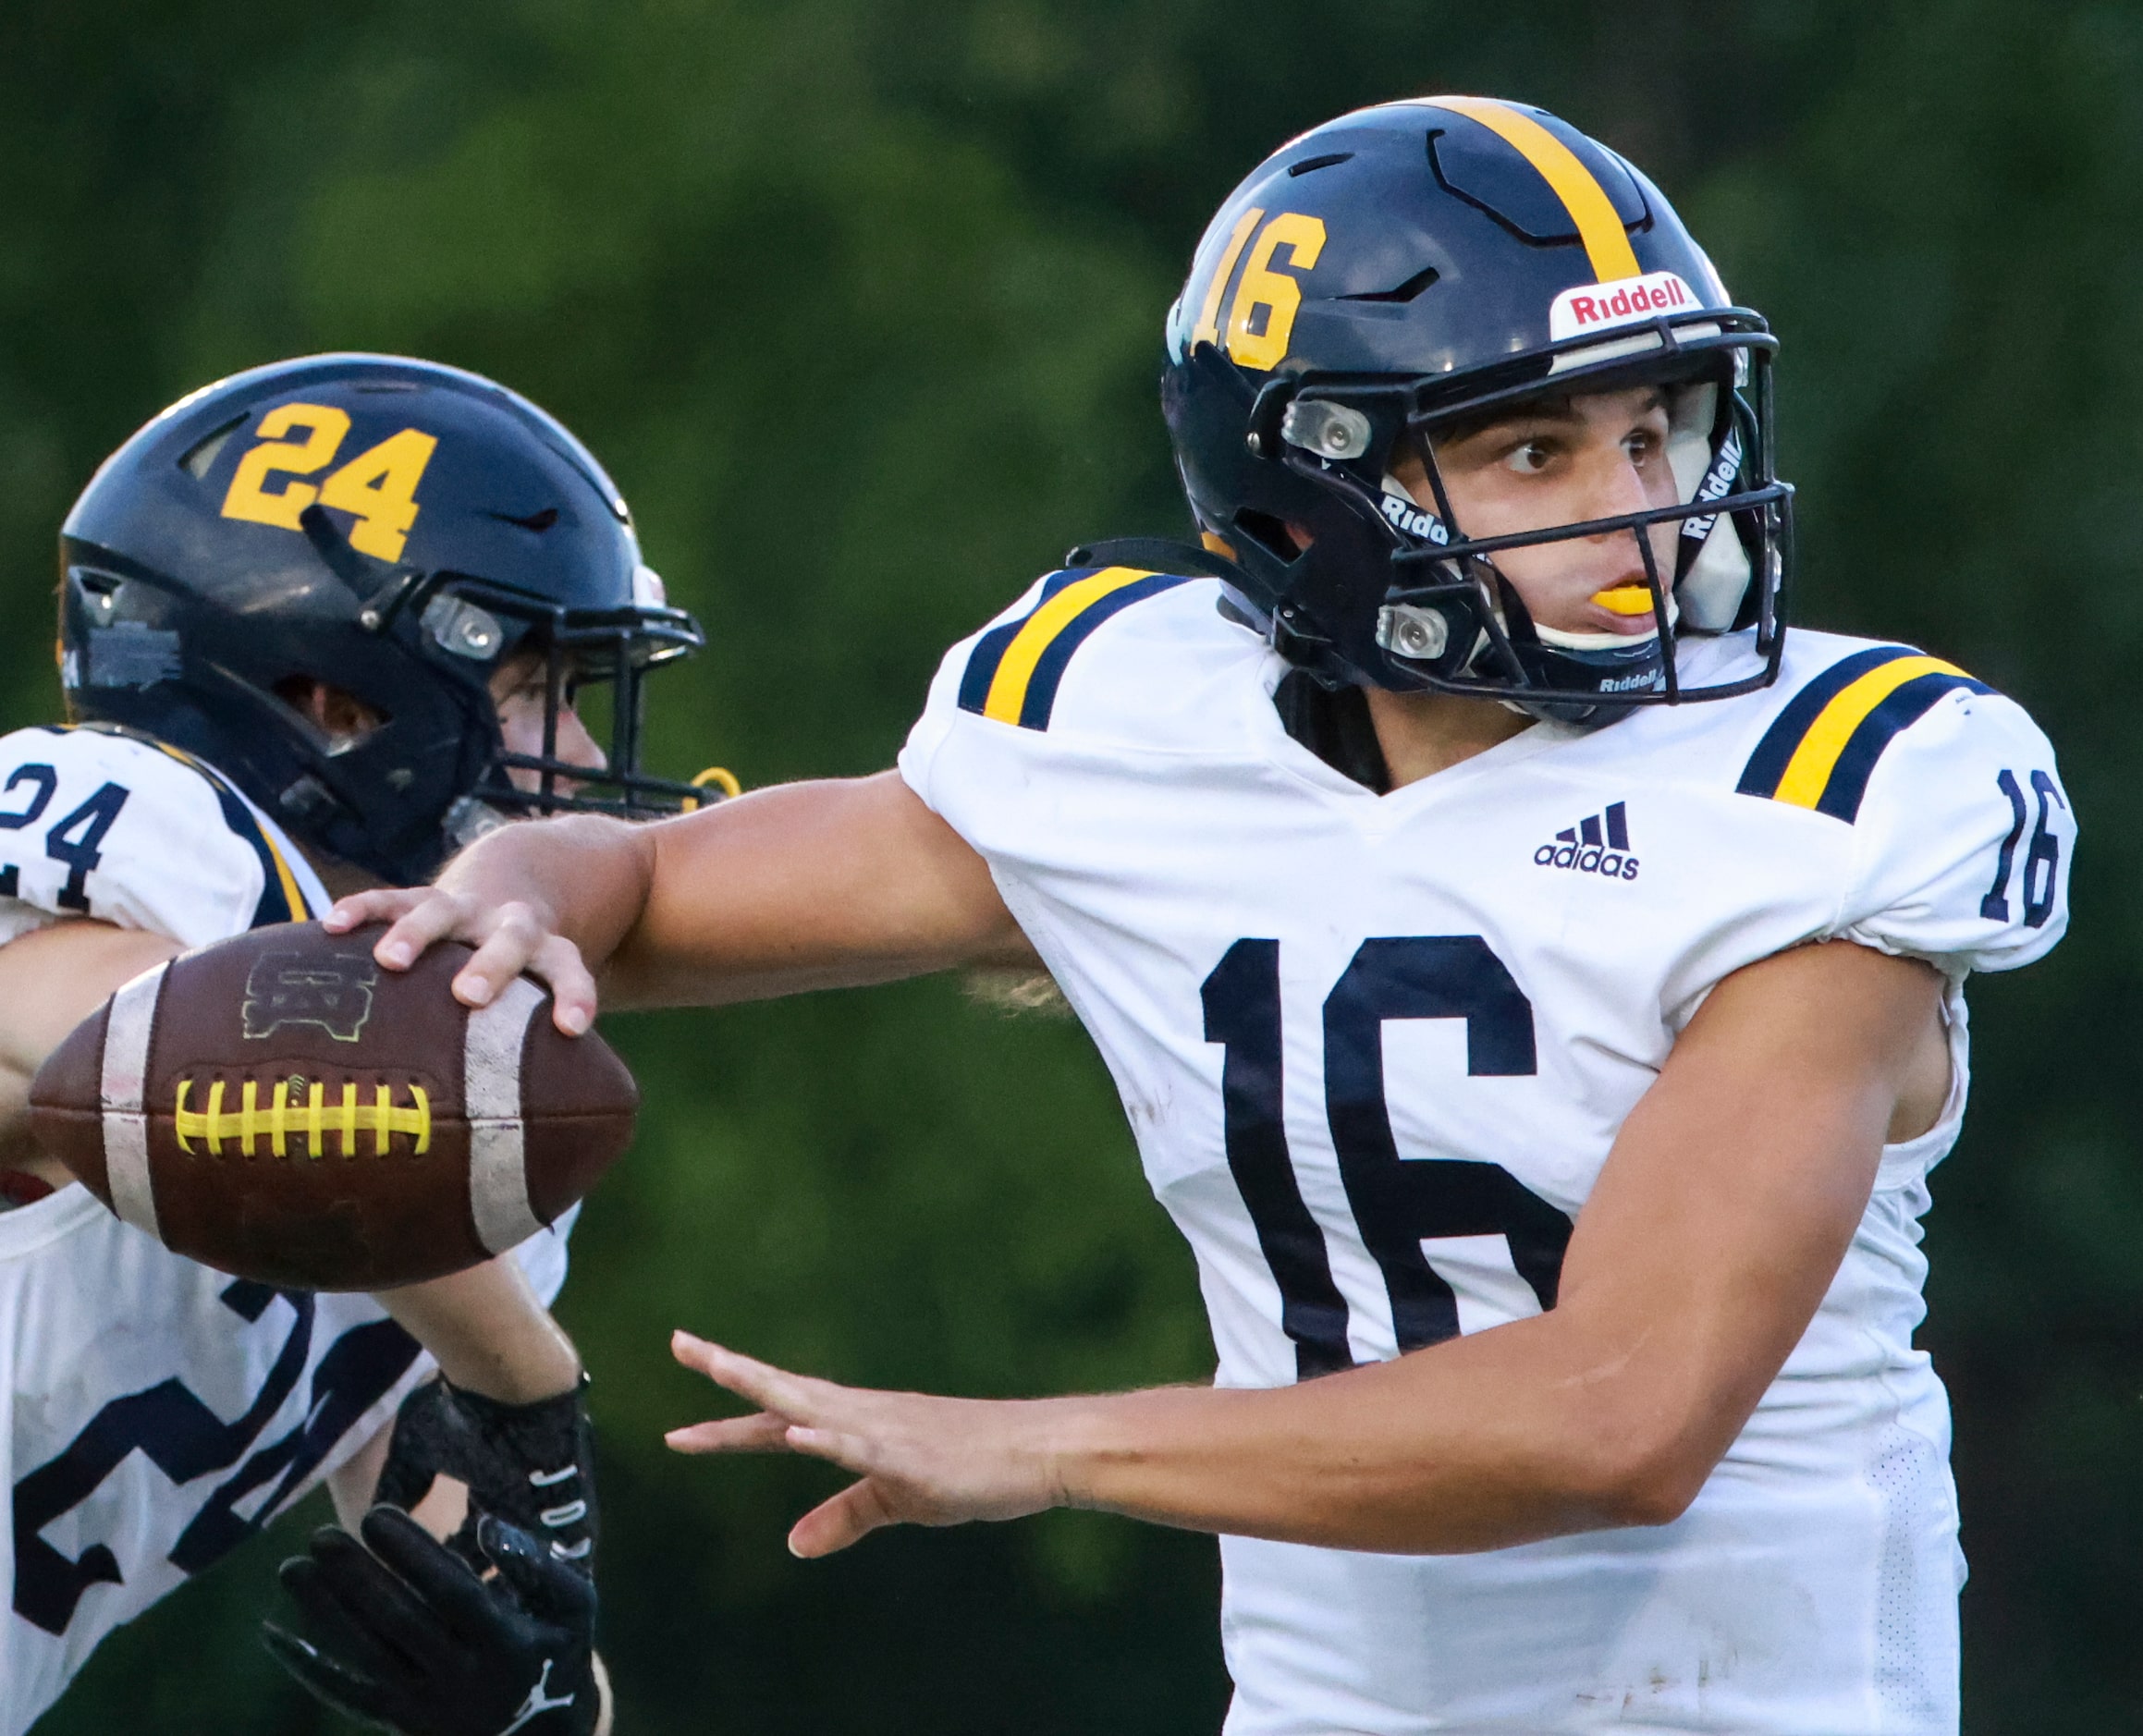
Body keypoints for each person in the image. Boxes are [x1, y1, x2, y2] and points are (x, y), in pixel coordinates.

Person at [338, 100, 2075, 1734]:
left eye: (1650, 427)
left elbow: (1618, 1412)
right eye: (1536, 451)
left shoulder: (1829, 790)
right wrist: (506, 897)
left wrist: (1039, 1445)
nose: (1633, 506)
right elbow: (637, 889)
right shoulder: (1147, 724)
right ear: (1312, 486)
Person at [0, 353, 714, 1736]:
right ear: (342, 707)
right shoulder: (161, 844)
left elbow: (466, 1549)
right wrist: (529, 1382)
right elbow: (165, 1057)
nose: (576, 750)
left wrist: (532, 1684)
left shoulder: (447, 1129)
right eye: (535, 690)